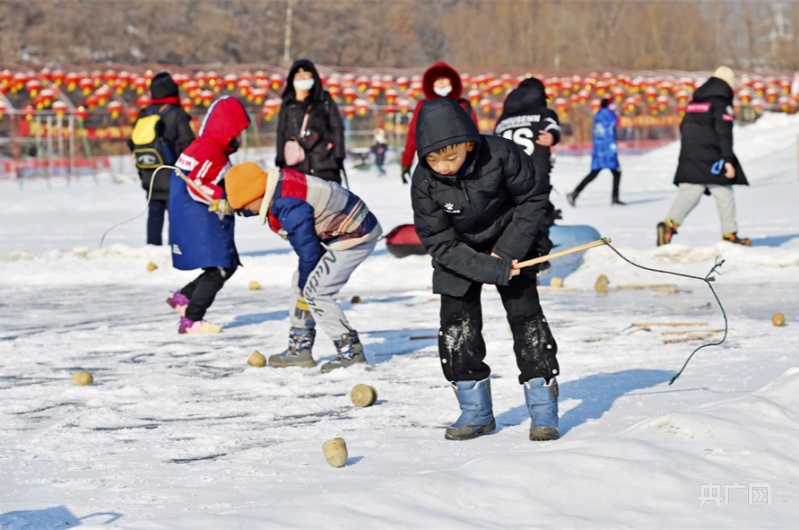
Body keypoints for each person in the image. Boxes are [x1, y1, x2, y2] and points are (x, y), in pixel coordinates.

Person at [410, 98, 560, 442]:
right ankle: (476, 412)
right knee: (456, 327)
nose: (444, 167)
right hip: (458, 251)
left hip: (514, 240)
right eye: (434, 160)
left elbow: (534, 199)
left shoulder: (502, 154)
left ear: (467, 143)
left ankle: (543, 411)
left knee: (527, 321)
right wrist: (484, 266)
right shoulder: (424, 181)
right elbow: (438, 240)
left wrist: (506, 253)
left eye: (451, 157)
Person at [224, 162, 382, 373]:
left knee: (316, 291)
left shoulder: (288, 203)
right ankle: (300, 347)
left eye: (243, 209)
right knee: (301, 283)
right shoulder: (277, 188)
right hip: (338, 232)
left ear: (255, 196)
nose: (244, 213)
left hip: (355, 234)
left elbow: (309, 253)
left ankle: (351, 352)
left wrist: (304, 284)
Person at [165, 96, 251, 334]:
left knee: (222, 265)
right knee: (222, 266)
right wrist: (224, 200)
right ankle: (192, 319)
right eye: (237, 132)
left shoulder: (203, 145)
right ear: (227, 129)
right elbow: (197, 183)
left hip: (189, 214)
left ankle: (183, 298)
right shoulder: (211, 151)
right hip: (200, 217)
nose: (239, 138)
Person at [657, 66, 750, 246]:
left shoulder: (695, 102)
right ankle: (730, 235)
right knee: (723, 191)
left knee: (691, 190)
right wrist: (728, 161)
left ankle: (668, 225)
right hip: (712, 155)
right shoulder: (721, 103)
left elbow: (684, 127)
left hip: (689, 153)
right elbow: (724, 133)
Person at [494, 76, 563, 262]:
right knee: (538, 213)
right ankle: (538, 258)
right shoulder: (543, 112)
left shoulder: (504, 118)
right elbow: (551, 127)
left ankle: (510, 254)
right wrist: (552, 136)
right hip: (535, 173)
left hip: (506, 176)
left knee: (513, 215)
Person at [134, 72, 195, 246]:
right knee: (175, 213)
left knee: (154, 213)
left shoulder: (145, 113)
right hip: (172, 172)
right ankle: (174, 247)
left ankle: (152, 247)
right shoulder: (177, 114)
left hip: (149, 172)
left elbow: (134, 142)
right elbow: (188, 143)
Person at [400, 61, 478, 185]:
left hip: (462, 163)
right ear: (431, 84)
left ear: (452, 81)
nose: (441, 83)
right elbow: (414, 134)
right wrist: (406, 162)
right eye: (437, 80)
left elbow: (475, 136)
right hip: (435, 164)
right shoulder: (423, 106)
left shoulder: (463, 105)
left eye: (444, 79)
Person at [275, 59, 346, 184]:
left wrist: (338, 155)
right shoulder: (287, 103)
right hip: (295, 163)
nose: (303, 79)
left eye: (306, 75)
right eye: (299, 75)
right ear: (292, 79)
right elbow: (281, 131)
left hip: (324, 162)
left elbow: (337, 127)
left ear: (314, 77)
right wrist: (280, 158)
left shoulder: (324, 99)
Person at [566, 98, 624, 206]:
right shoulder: (610, 117)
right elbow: (610, 133)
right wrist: (612, 148)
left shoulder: (598, 115)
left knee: (595, 173)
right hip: (607, 150)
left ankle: (574, 193)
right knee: (617, 172)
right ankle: (615, 199)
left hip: (598, 150)